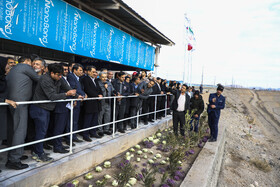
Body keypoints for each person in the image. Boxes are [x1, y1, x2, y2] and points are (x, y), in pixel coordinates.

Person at [30, 63, 79, 162]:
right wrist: (66, 94)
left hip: (47, 108)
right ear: (52, 73)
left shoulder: (58, 77)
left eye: (61, 75)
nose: (60, 77)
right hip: (39, 108)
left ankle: (38, 151)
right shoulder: (45, 79)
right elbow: (52, 96)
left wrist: (76, 96)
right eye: (58, 75)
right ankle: (38, 153)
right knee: (41, 131)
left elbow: (67, 88)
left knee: (43, 131)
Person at [6, 56, 40, 170]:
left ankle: (14, 155)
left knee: (13, 131)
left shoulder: (14, 69)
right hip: (20, 103)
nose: (33, 66)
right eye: (33, 63)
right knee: (20, 131)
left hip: (11, 102)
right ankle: (14, 160)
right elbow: (39, 79)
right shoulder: (25, 66)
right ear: (27, 61)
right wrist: (40, 70)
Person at [51, 63, 72, 153]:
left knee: (61, 127)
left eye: (66, 69)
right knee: (58, 128)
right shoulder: (57, 79)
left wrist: (76, 96)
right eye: (63, 69)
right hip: (59, 106)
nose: (65, 71)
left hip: (65, 106)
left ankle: (59, 144)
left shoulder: (63, 79)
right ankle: (57, 147)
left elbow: (69, 89)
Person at [66, 64, 86, 144]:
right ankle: (69, 138)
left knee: (75, 120)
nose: (81, 72)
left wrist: (84, 94)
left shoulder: (78, 78)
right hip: (73, 101)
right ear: (75, 70)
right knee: (71, 121)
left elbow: (79, 89)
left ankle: (74, 136)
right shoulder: (71, 76)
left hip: (78, 102)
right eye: (80, 70)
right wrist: (82, 95)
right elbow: (73, 88)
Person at [81, 66, 103, 141]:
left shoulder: (96, 80)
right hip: (89, 103)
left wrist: (100, 95)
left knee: (94, 119)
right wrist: (97, 95)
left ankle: (93, 132)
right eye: (93, 72)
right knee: (88, 119)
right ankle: (85, 134)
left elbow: (100, 89)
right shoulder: (85, 79)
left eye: (95, 72)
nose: (95, 73)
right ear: (89, 72)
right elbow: (88, 90)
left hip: (96, 103)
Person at [0, 57, 17, 145]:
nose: (8, 66)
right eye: (6, 64)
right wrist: (5, 100)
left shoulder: (3, 77)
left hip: (3, 111)